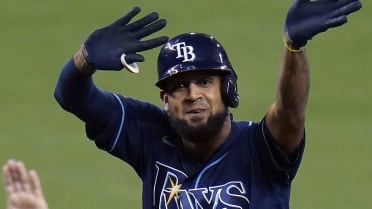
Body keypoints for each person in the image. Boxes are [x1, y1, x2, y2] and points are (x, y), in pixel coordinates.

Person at [54, 0, 362, 208]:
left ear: (226, 88)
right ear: (165, 100)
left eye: (205, 82)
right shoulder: (149, 135)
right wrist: (84, 60)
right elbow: (72, 97)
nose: (192, 95)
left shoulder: (261, 148)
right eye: (179, 86)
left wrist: (293, 48)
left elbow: (290, 113)